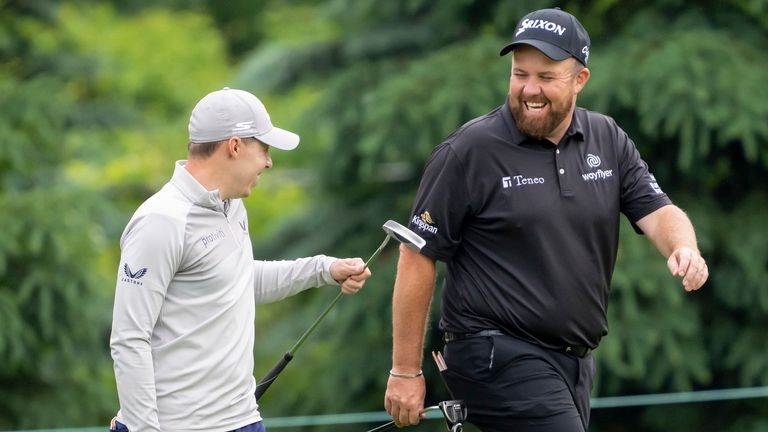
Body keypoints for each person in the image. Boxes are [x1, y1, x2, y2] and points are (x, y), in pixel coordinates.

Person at [383, 8, 708, 432]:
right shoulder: (469, 151)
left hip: (573, 362)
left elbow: (658, 209)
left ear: (580, 80)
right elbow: (417, 255)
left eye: (546, 77)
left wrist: (684, 246)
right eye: (520, 74)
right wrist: (405, 371)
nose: (529, 89)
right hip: (495, 353)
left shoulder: (607, 138)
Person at [109, 87, 371, 432]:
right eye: (264, 148)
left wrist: (325, 269)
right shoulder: (161, 220)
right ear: (234, 146)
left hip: (243, 420)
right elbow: (129, 338)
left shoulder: (232, 205)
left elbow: (239, 280)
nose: (269, 161)